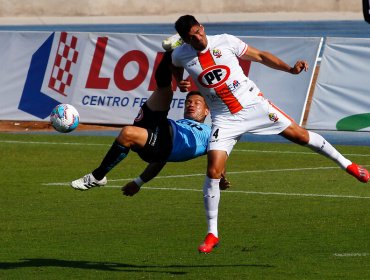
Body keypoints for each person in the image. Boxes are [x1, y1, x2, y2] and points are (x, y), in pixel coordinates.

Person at [169, 14, 370, 254]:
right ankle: (212, 233)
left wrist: (290, 69)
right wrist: (179, 81)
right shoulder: (180, 54)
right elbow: (174, 65)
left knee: (301, 137)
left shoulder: (225, 41)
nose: (199, 38)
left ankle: (348, 165)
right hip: (225, 118)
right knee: (213, 171)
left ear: (202, 27)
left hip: (255, 106)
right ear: (185, 39)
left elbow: (261, 56)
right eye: (192, 37)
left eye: (199, 32)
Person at [71, 51, 230, 195]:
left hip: (164, 143)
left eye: (197, 103)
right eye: (188, 102)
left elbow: (218, 157)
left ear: (206, 111)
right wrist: (139, 182)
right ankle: (172, 50)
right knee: (164, 88)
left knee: (128, 133)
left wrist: (220, 178)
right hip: (161, 128)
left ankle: (97, 176)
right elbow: (160, 162)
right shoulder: (181, 123)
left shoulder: (209, 133)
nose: (191, 104)